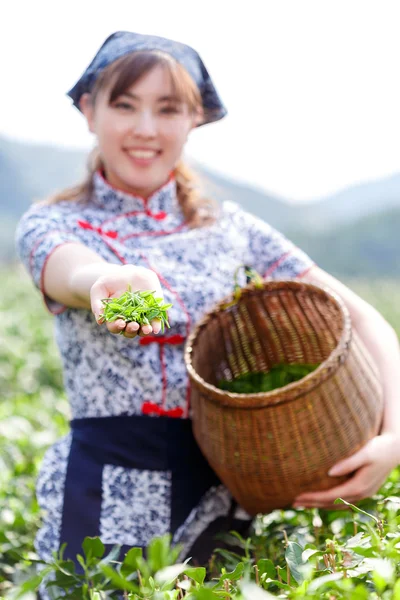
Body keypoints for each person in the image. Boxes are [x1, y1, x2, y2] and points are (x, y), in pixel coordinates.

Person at [15, 30, 400, 591]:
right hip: (104, 495)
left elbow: (365, 320)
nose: (145, 129)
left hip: (222, 493)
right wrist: (113, 281)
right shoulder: (53, 224)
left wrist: (393, 439)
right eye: (124, 104)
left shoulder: (233, 230)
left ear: (194, 119)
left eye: (167, 108)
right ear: (88, 110)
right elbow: (72, 272)